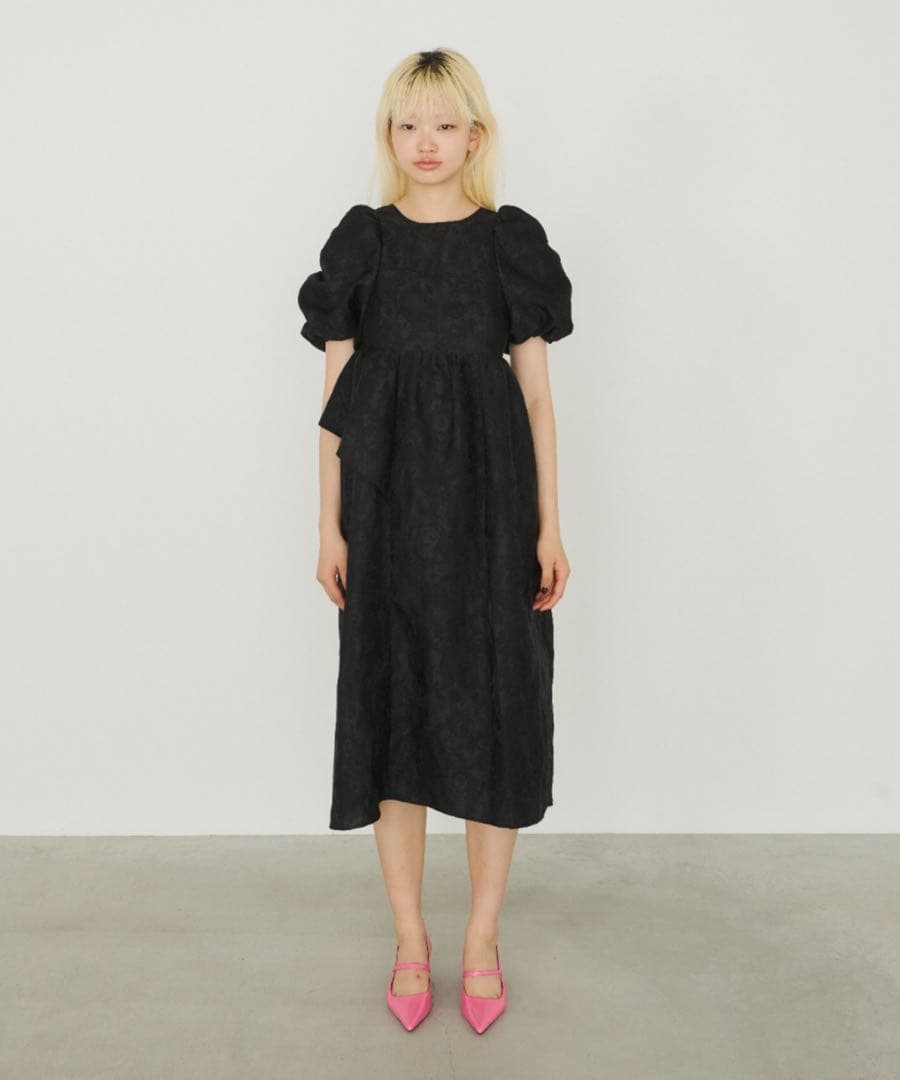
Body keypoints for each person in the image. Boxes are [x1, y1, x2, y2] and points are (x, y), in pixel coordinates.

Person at [297, 47, 574, 1034]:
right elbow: (335, 401)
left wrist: (549, 522)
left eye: (445, 124)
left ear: (475, 136)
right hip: (386, 513)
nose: (426, 143)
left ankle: (481, 939)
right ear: (390, 136)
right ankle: (411, 939)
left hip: (493, 512)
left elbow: (536, 399)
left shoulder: (509, 242)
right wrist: (328, 523)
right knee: (394, 711)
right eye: (408, 124)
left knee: (496, 708)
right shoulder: (363, 242)